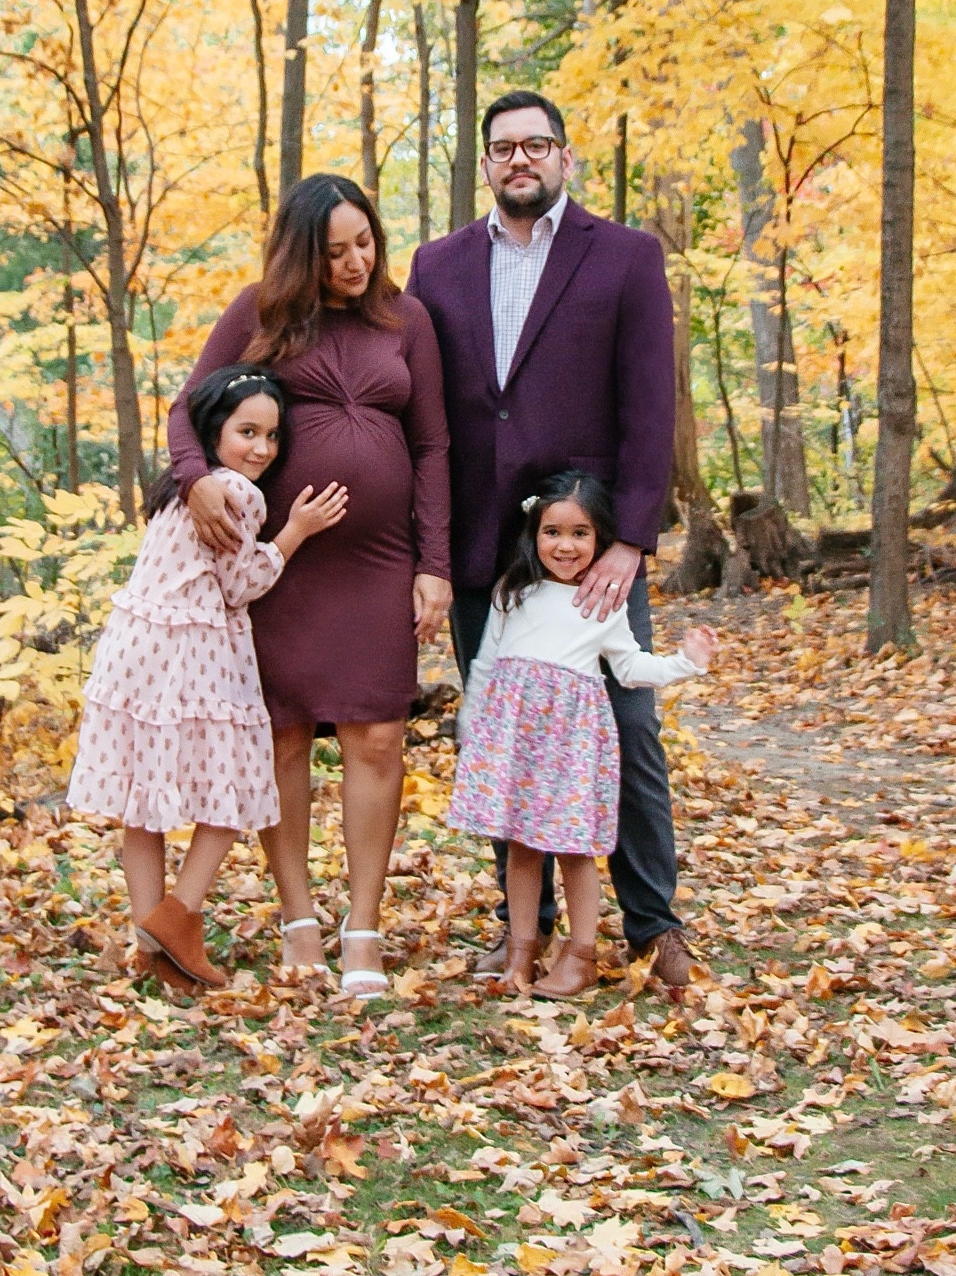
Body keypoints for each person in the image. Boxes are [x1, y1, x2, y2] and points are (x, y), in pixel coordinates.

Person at [407, 88, 696, 987]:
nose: (519, 160)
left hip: (586, 545)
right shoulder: (437, 265)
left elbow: (651, 406)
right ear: (485, 163)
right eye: (503, 148)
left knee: (629, 725)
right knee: (503, 730)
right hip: (486, 545)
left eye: (537, 146)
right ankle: (520, 928)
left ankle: (653, 922)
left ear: (566, 159)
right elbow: (428, 412)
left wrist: (630, 540)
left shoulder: (625, 257)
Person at [170, 174, 451, 1000]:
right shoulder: (259, 310)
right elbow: (189, 410)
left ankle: (362, 924)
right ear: (302, 255)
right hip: (281, 563)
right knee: (285, 736)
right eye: (334, 252)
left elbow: (433, 445)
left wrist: (433, 562)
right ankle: (298, 919)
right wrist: (196, 482)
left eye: (364, 242)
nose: (357, 261)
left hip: (377, 565)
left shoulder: (407, 319)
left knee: (377, 737)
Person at [66, 363, 347, 993]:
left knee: (144, 800)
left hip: (134, 648)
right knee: (236, 784)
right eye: (247, 431)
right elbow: (240, 583)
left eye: (272, 437)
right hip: (194, 652)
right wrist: (296, 531)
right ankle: (178, 917)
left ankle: (152, 948)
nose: (261, 449)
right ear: (214, 429)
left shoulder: (176, 486)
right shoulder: (239, 494)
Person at [448, 474, 717, 998]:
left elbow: (631, 667)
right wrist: (472, 724)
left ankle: (581, 955)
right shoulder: (512, 592)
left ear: (600, 540)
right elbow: (483, 664)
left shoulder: (603, 603)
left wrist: (687, 663)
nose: (565, 546)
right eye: (552, 532)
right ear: (534, 534)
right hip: (517, 743)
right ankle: (523, 950)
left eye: (580, 533)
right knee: (522, 845)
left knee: (574, 849)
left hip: (570, 746)